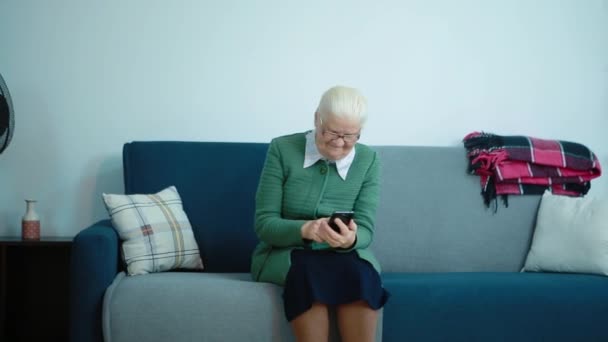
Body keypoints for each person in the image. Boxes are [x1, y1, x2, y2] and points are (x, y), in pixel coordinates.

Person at [251, 85, 389, 342]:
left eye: (350, 136)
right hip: (286, 252)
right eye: (332, 132)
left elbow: (367, 229)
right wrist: (305, 230)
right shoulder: (282, 149)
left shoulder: (369, 160)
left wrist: (351, 240)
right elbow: (264, 223)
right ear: (317, 119)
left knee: (362, 276)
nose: (339, 143)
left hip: (344, 254)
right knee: (308, 274)